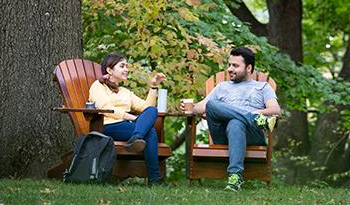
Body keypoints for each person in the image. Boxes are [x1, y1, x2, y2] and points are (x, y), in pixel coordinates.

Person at [181, 47, 281, 191]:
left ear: (249, 68)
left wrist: (249, 113)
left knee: (235, 123)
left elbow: (275, 110)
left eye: (235, 65)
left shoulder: (263, 87)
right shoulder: (221, 87)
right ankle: (255, 119)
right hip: (222, 135)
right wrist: (190, 107)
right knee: (212, 104)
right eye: (229, 65)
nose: (229, 69)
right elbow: (201, 108)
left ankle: (235, 177)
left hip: (252, 135)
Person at [89, 53, 166, 186]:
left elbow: (145, 107)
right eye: (122, 66)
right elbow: (104, 107)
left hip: (127, 127)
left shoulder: (124, 91)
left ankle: (136, 138)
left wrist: (153, 87)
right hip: (108, 126)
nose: (126, 69)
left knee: (152, 111)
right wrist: (131, 117)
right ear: (109, 70)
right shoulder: (98, 86)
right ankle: (154, 178)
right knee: (150, 132)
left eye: (126, 66)